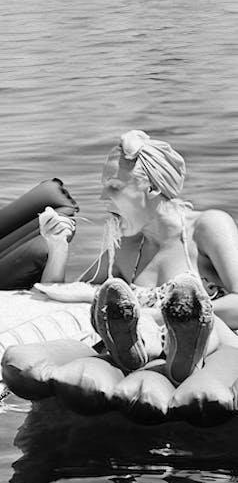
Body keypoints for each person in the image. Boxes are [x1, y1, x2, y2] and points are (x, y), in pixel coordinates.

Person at [35, 129, 238, 383]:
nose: (102, 198)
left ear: (152, 187)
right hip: (149, 351)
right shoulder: (126, 246)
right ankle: (134, 353)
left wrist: (155, 315)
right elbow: (63, 293)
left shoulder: (208, 228)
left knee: (202, 328)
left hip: (210, 345)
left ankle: (175, 352)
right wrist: (57, 247)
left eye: (114, 188)